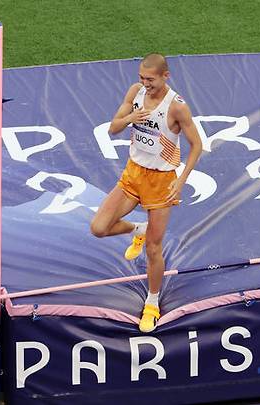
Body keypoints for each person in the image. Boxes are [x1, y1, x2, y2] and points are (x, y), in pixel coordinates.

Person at [90, 53, 202, 333]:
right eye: (142, 78)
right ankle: (138, 228)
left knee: (154, 248)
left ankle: (152, 303)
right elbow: (113, 129)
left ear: (166, 76)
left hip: (161, 181)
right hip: (133, 174)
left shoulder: (176, 107)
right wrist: (131, 117)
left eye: (150, 79)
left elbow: (197, 145)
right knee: (99, 227)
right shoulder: (135, 92)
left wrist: (182, 179)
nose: (145, 84)